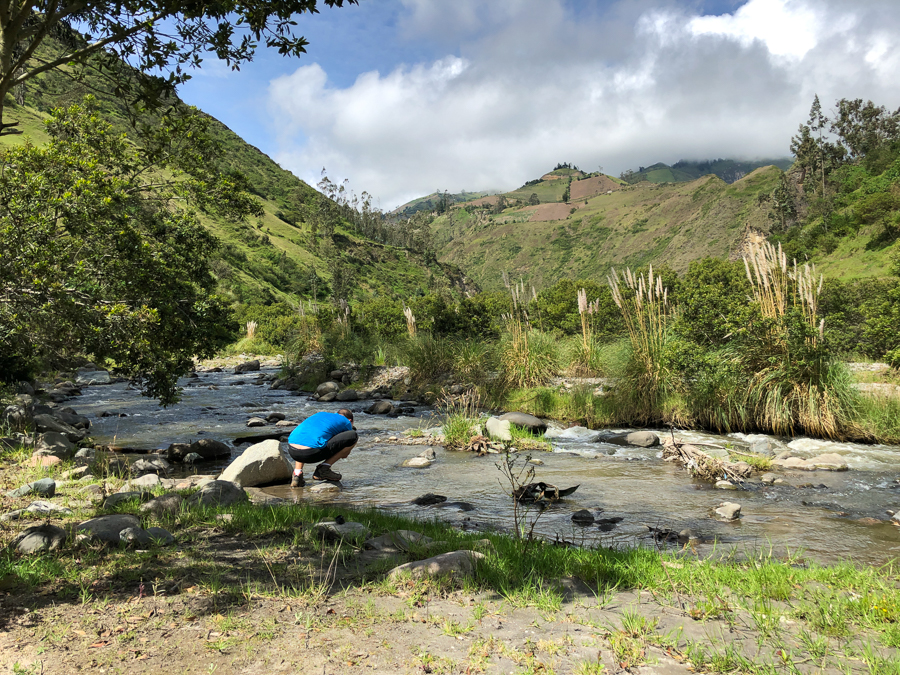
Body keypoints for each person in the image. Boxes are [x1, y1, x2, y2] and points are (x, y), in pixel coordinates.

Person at [286, 408, 357, 487]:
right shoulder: (346, 422)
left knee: (306, 438)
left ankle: (297, 474)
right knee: (353, 435)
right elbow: (344, 454)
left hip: (292, 450)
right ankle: (324, 469)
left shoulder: (320, 414)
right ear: (350, 420)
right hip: (311, 453)